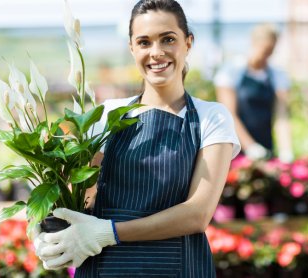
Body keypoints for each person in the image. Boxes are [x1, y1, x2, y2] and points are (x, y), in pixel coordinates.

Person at [33, 0, 240, 277]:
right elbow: (85, 199)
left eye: (168, 39)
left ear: (188, 43)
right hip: (106, 268)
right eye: (144, 42)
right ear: (132, 48)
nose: (156, 52)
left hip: (178, 267)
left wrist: (110, 232)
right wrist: (47, 227)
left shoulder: (211, 117)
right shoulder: (106, 115)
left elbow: (197, 214)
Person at [214, 23, 292, 162]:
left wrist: (286, 149)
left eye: (271, 51)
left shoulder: (277, 75)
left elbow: (281, 115)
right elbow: (228, 114)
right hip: (236, 149)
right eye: (265, 50)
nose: (267, 56)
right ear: (254, 43)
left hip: (266, 145)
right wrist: (250, 146)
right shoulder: (231, 71)